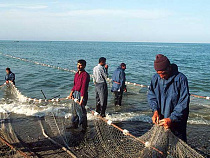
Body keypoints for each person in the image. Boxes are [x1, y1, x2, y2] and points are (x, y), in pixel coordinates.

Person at [148, 54, 190, 142]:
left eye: (163, 73)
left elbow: (183, 103)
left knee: (178, 144)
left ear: (169, 68)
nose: (161, 76)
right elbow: (151, 96)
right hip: (161, 119)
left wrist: (172, 118)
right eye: (158, 73)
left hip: (177, 121)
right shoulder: (155, 78)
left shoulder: (181, 79)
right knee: (160, 144)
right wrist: (155, 110)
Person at [68, 60, 90, 131]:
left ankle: (84, 128)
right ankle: (74, 125)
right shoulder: (76, 74)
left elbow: (83, 87)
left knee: (82, 111)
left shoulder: (86, 75)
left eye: (80, 65)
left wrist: (81, 98)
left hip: (82, 94)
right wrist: (71, 93)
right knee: (74, 110)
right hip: (76, 93)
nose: (78, 66)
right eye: (78, 65)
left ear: (84, 66)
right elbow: (75, 85)